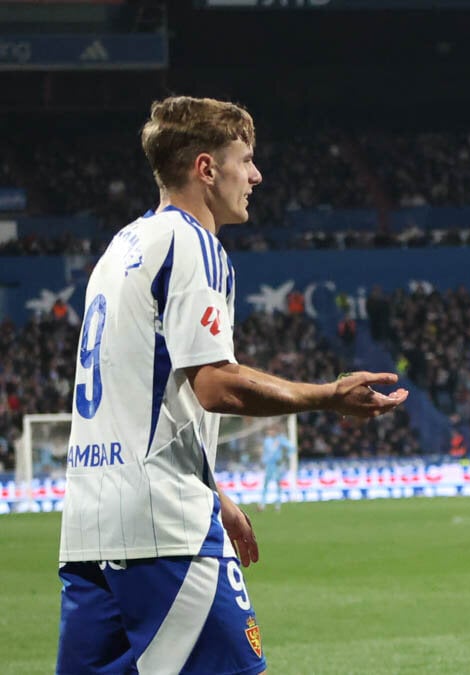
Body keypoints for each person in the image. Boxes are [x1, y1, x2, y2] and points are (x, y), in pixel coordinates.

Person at [56, 96, 408, 675]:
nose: (256, 175)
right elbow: (216, 385)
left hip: (91, 527)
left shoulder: (122, 247)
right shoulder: (194, 244)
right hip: (164, 532)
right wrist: (328, 396)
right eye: (245, 159)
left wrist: (213, 492)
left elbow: (138, 397)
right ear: (206, 168)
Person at [259, 421, 296, 511]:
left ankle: (278, 505)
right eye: (268, 431)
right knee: (265, 485)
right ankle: (262, 505)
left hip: (277, 465)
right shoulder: (267, 440)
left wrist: (285, 457)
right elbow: (266, 453)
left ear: (275, 431)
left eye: (271, 430)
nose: (270, 432)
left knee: (278, 485)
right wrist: (263, 461)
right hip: (268, 465)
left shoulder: (280, 439)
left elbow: (292, 448)